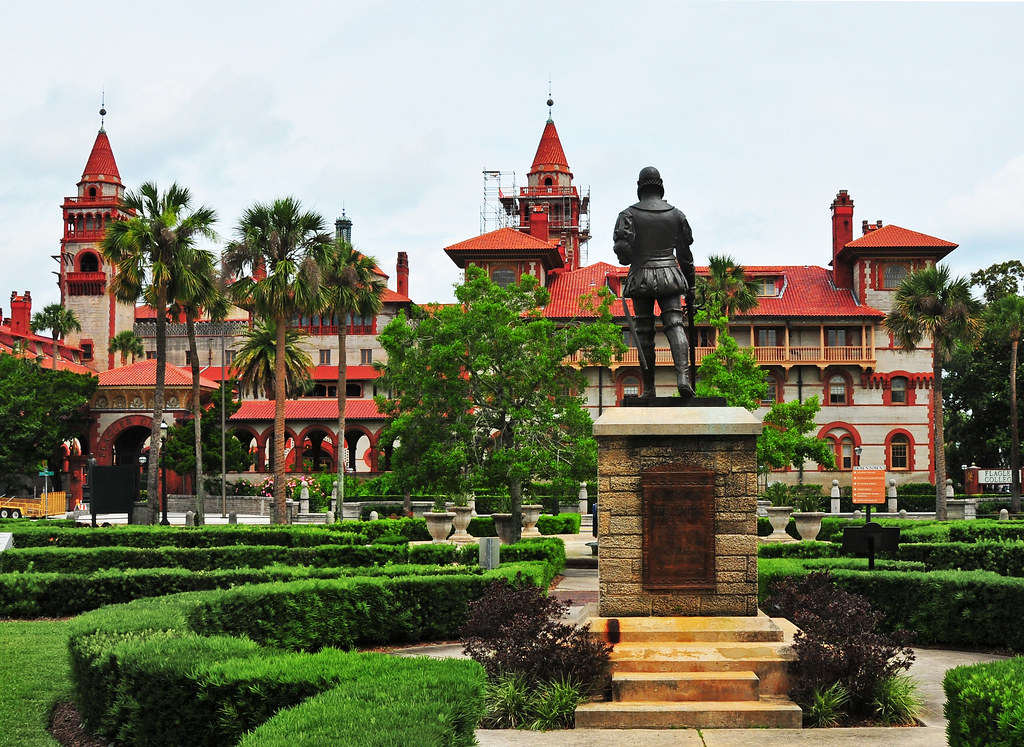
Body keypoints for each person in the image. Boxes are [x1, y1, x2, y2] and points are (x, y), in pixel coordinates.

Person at [613, 166, 696, 398]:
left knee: (644, 332)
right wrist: (692, 287)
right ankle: (682, 377)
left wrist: (625, 256)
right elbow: (685, 256)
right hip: (670, 274)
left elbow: (622, 250)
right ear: (661, 187)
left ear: (640, 188)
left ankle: (649, 388)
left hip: (641, 276)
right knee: (675, 324)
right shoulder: (677, 215)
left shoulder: (628, 215)